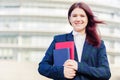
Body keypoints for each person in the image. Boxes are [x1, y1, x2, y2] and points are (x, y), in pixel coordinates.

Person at [38, 2, 111, 80]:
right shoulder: (59, 40)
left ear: (87, 19)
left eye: (82, 16)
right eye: (74, 16)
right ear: (70, 18)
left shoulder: (98, 44)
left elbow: (105, 73)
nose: (78, 19)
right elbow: (42, 67)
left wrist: (79, 67)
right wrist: (61, 72)